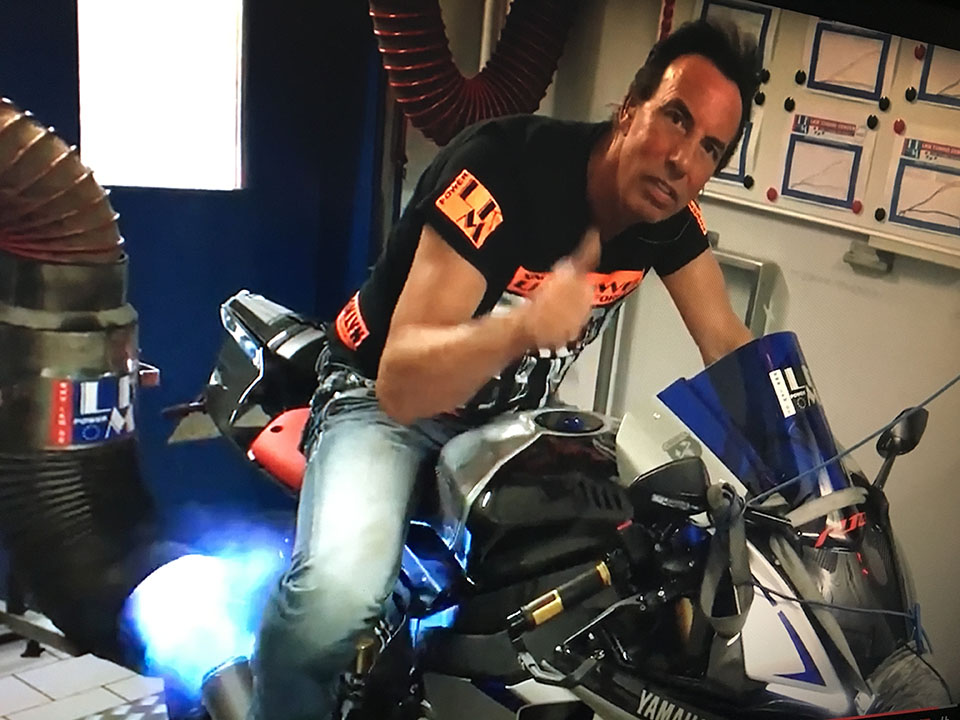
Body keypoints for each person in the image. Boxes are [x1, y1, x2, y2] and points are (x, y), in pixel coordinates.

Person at [250, 18, 759, 720]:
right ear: (629, 109)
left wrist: (813, 480)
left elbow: (726, 342)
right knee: (337, 595)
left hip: (511, 426)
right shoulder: (500, 173)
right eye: (676, 119)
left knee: (619, 569)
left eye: (709, 149)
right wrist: (521, 325)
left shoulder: (668, 216)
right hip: (383, 404)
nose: (682, 160)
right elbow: (402, 379)